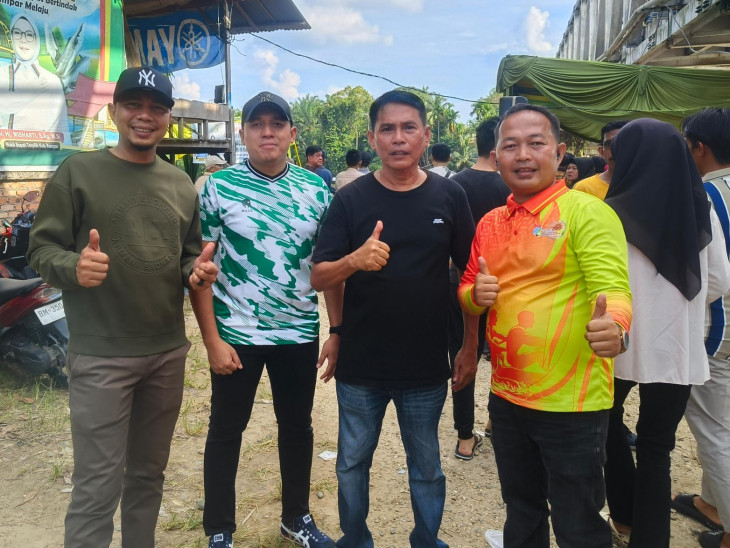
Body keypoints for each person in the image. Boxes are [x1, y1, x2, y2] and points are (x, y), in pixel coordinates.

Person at [26, 66, 218, 548]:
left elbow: (185, 256)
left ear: (169, 118)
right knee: (97, 486)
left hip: (166, 354)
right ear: (114, 112)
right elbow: (41, 250)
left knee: (148, 476)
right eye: (133, 104)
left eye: (157, 108)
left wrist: (195, 272)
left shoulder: (180, 183)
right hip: (101, 355)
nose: (144, 116)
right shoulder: (78, 172)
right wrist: (74, 266)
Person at [458, 103, 633, 547]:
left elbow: (612, 288)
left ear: (559, 152)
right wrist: (475, 295)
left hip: (572, 405)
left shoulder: (587, 212)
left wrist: (615, 326)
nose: (523, 155)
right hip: (506, 398)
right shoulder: (490, 223)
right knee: (521, 509)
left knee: (579, 523)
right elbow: (467, 288)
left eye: (535, 143)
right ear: (495, 157)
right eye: (510, 146)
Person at [310, 90, 477, 547]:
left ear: (425, 135)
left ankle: (426, 540)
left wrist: (468, 346)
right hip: (361, 364)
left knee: (426, 466)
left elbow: (470, 278)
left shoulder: (450, 195)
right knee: (351, 463)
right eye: (387, 129)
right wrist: (355, 261)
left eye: (408, 128)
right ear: (372, 138)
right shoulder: (350, 199)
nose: (398, 138)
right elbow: (320, 274)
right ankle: (354, 540)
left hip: (425, 364)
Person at [191, 91, 339, 548]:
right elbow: (201, 270)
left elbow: (328, 266)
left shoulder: (318, 190)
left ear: (292, 134)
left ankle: (296, 517)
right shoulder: (218, 188)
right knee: (226, 429)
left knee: (297, 427)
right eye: (257, 124)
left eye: (277, 124)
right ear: (243, 133)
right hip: (237, 332)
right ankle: (219, 528)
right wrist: (212, 341)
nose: (267, 132)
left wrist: (336, 330)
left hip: (297, 331)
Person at [602, 118, 730, 548]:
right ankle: (650, 539)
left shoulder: (610, 211)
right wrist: (678, 305)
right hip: (677, 344)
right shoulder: (699, 204)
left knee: (607, 422)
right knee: (657, 448)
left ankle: (624, 514)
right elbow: (719, 280)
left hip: (619, 342)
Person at [671, 108, 730, 548]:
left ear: (699, 148)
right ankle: (711, 503)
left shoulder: (705, 195)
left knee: (713, 430)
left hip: (718, 329)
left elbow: (711, 279)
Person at [448, 117, 510, 459]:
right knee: (503, 355)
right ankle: (495, 421)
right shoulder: (512, 186)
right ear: (498, 147)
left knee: (462, 354)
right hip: (507, 287)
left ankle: (464, 437)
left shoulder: (455, 184)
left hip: (461, 282)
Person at [0, 14, 71, 143]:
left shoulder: (52, 81)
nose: (23, 40)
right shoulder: (2, 74)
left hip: (43, 153)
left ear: (37, 40)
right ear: (11, 37)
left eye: (29, 35)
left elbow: (62, 128)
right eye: (17, 33)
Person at [573, 121, 630, 199]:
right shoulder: (584, 189)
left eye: (624, 143)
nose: (616, 149)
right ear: (601, 151)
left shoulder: (644, 186)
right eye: (609, 144)